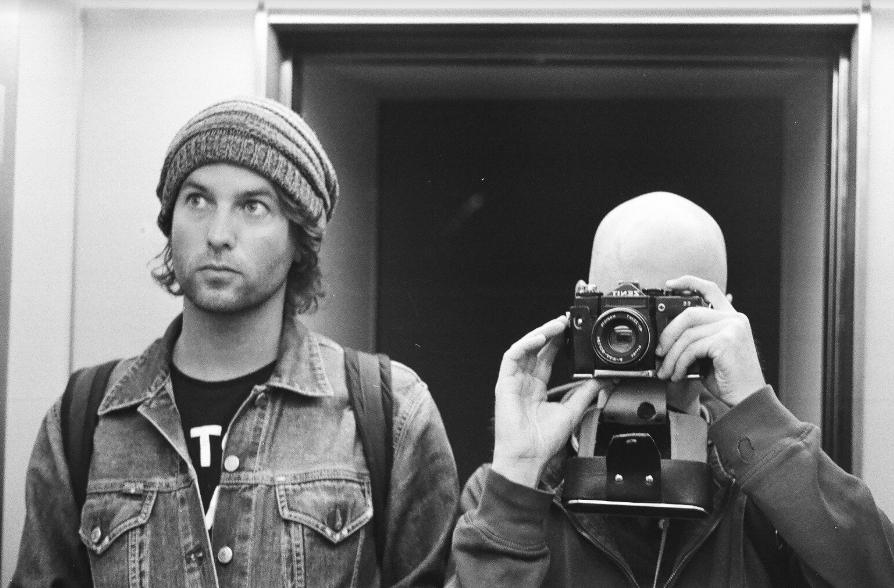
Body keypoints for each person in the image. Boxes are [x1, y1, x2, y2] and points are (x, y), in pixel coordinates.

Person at [12, 97, 459, 587]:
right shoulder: (85, 417)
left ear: (299, 239)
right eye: (197, 200)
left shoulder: (389, 411)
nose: (218, 234)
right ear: (170, 220)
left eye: (253, 206)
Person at [448, 192, 894, 587]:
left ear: (723, 315)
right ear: (583, 304)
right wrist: (518, 476)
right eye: (624, 306)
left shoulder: (767, 491)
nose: (643, 337)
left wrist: (760, 418)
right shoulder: (506, 489)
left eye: (670, 311)